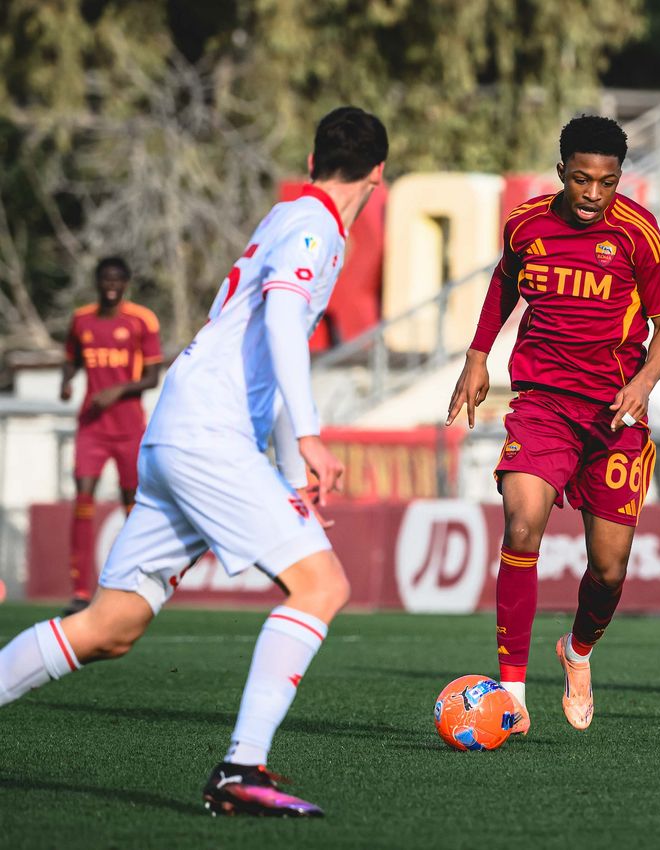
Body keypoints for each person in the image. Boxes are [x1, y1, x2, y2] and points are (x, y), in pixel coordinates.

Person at [0, 106, 388, 816]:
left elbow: (265, 351)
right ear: (379, 175)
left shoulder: (288, 213)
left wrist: (284, 458)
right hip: (207, 435)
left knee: (110, 625)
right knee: (321, 586)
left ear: (310, 163)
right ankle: (242, 769)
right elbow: (279, 321)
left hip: (183, 432)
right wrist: (309, 435)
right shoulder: (313, 227)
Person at [447, 115, 660, 733]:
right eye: (581, 179)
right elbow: (504, 284)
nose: (592, 194)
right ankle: (513, 694)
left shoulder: (639, 233)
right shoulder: (526, 223)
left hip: (614, 415)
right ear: (561, 172)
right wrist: (478, 357)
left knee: (608, 570)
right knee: (522, 524)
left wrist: (643, 382)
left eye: (606, 182)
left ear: (618, 180)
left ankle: (576, 650)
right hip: (542, 404)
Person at [60, 258, 162, 615]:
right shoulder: (81, 319)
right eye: (105, 279)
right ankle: (79, 590)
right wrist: (67, 380)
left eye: (118, 279)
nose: (111, 285)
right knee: (83, 495)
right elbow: (71, 357)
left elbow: (153, 378)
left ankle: (132, 583)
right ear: (97, 281)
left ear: (126, 283)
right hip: (91, 425)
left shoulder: (141, 320)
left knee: (131, 503)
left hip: (129, 427)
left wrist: (116, 391)